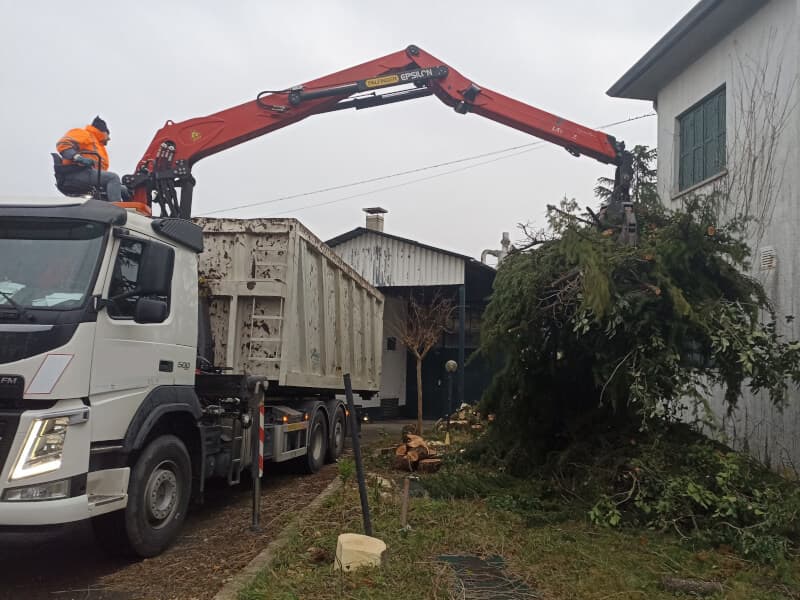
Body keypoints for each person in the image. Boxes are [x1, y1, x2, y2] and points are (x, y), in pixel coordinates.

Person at [55, 116, 129, 202]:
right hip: (76, 173)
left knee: (123, 189)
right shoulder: (84, 134)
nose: (109, 138)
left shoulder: (97, 144)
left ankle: (129, 207)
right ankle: (117, 208)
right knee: (113, 178)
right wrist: (78, 158)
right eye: (108, 134)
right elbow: (63, 144)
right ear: (103, 132)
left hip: (87, 174)